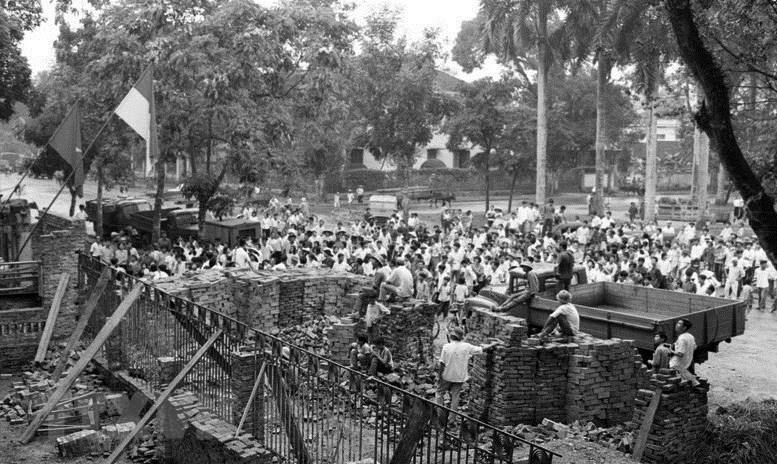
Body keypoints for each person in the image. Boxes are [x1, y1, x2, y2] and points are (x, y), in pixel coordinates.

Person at [435, 327, 499, 412]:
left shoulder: (446, 347)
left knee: (439, 393)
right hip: (459, 377)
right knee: (455, 396)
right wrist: (493, 344)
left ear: (452, 337)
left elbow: (442, 364)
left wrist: (439, 376)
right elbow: (482, 349)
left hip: (447, 375)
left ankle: (438, 413)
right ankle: (451, 419)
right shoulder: (466, 346)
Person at [669, 319, 699, 386]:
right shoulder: (690, 336)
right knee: (683, 372)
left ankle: (692, 382)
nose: (676, 325)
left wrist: (671, 351)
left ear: (684, 327)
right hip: (687, 361)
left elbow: (680, 353)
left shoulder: (682, 338)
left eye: (679, 323)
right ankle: (693, 381)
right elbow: (694, 347)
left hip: (677, 363)